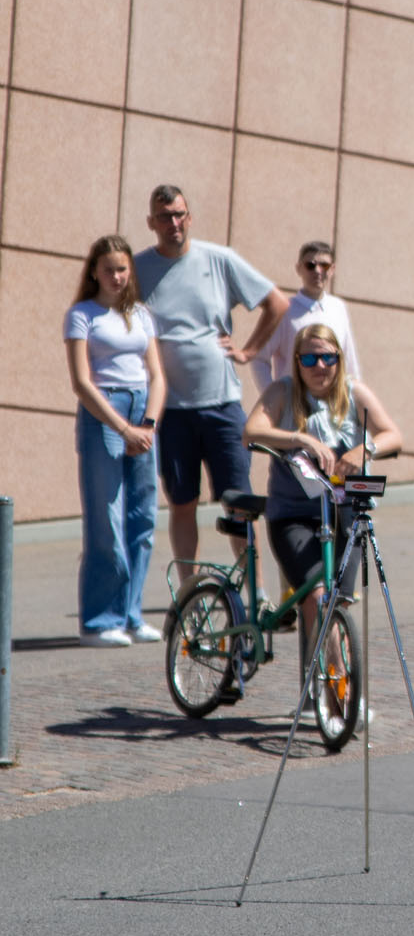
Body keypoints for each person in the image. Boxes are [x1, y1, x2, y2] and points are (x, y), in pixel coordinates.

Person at [134, 184, 289, 573]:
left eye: (180, 214)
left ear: (190, 217)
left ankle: (254, 591)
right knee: (182, 503)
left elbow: (277, 303)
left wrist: (249, 351)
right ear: (151, 222)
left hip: (221, 405)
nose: (174, 223)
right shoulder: (136, 269)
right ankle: (188, 593)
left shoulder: (218, 259)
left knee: (238, 501)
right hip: (172, 410)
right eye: (165, 217)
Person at [243, 322, 402, 651]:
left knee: (339, 600)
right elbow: (252, 431)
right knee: (316, 598)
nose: (320, 367)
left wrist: (364, 449)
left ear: (339, 360)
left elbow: (393, 435)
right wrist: (299, 438)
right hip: (293, 515)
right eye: (310, 359)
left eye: (328, 358)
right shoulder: (283, 392)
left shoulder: (353, 392)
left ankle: (335, 691)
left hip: (344, 511)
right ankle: (330, 693)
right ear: (297, 361)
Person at [65, 234, 167, 646]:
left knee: (142, 519)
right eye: (108, 269)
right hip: (103, 412)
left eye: (122, 268)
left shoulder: (141, 315)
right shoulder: (82, 314)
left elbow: (157, 374)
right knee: (106, 520)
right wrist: (123, 429)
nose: (117, 276)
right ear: (94, 272)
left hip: (143, 412)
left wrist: (149, 424)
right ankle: (98, 621)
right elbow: (81, 383)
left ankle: (131, 614)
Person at [250, 239, 361, 393]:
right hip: (294, 407)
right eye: (310, 265)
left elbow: (349, 363)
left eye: (324, 265)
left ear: (333, 269)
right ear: (299, 269)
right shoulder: (284, 310)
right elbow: (259, 358)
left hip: (332, 408)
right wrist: (273, 401)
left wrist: (352, 404)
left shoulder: (338, 308)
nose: (318, 271)